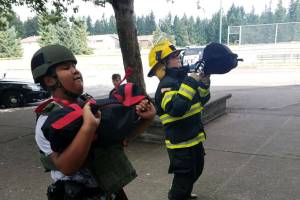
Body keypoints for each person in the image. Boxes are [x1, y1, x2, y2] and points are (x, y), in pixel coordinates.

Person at [31, 44, 156, 200]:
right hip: (80, 195)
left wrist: (146, 120)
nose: (75, 70)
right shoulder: (48, 121)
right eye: (66, 68)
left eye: (74, 66)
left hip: (109, 190)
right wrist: (88, 128)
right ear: (50, 80)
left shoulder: (87, 103)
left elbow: (118, 139)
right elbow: (67, 167)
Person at [147, 40, 211, 200]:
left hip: (194, 138)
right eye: (174, 57)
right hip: (180, 144)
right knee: (184, 177)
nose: (179, 58)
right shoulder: (165, 86)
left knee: (197, 170)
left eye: (177, 55)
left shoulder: (182, 80)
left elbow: (202, 99)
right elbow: (177, 109)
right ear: (162, 65)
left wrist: (204, 82)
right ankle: (178, 195)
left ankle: (184, 194)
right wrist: (191, 81)